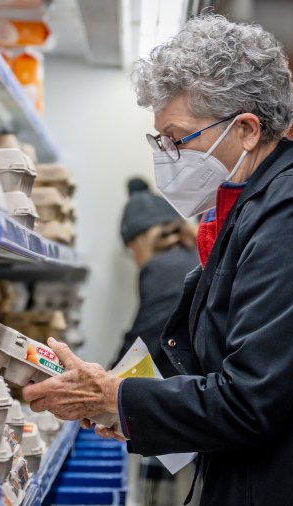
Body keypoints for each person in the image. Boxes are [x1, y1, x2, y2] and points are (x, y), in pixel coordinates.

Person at [23, 13, 293, 506]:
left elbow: (250, 398)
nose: (166, 157)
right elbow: (222, 366)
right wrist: (120, 402)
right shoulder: (250, 208)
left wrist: (115, 397)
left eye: (178, 139)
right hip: (268, 470)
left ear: (245, 129)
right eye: (159, 141)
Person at [115, 177, 200, 506]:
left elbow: (145, 335)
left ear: (141, 240)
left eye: (132, 250)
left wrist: (101, 383)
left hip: (188, 406)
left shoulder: (161, 267)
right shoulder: (192, 254)